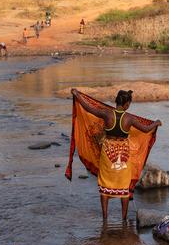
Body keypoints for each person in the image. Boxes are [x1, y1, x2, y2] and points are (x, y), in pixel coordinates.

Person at [69, 88, 161, 222]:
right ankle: (123, 219)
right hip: (123, 155)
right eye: (129, 103)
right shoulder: (129, 118)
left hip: (107, 155)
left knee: (105, 185)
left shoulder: (107, 114)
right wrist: (156, 122)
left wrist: (77, 95)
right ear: (127, 104)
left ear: (117, 101)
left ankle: (105, 218)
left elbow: (88, 108)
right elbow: (146, 129)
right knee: (124, 186)